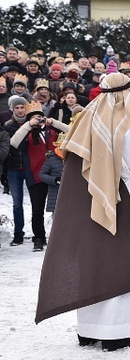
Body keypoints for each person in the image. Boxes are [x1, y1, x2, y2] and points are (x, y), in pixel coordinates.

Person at [35, 72, 130, 351]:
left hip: (87, 206)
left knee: (94, 265)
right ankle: (115, 333)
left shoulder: (85, 121)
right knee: (121, 265)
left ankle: (89, 330)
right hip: (118, 205)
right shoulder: (123, 129)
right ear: (122, 95)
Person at [7, 99, 70, 251]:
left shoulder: (53, 131)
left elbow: (71, 131)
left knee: (60, 209)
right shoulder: (27, 134)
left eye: (39, 116)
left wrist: (53, 122)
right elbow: (13, 142)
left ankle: (60, 237)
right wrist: (29, 125)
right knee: (37, 209)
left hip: (56, 175)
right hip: (35, 175)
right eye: (33, 117)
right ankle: (39, 237)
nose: (38, 119)